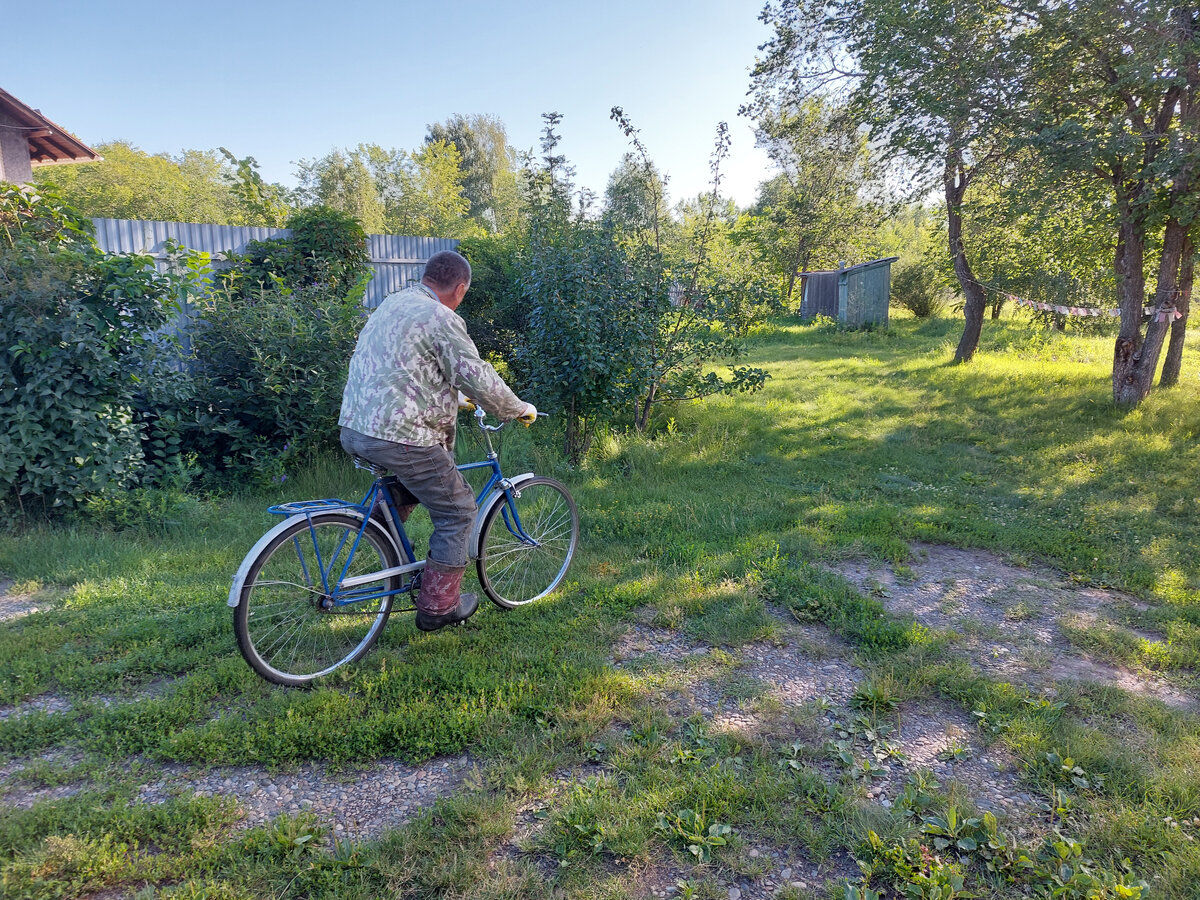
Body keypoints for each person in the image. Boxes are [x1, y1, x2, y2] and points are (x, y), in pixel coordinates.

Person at [338, 250, 536, 632]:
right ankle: (437, 607)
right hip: (400, 435)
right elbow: (477, 375)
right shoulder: (441, 317)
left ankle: (386, 558)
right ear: (460, 288)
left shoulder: (393, 304)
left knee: (407, 490)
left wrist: (454, 398)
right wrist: (516, 408)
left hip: (356, 427)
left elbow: (406, 369)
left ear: (426, 277)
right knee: (459, 510)